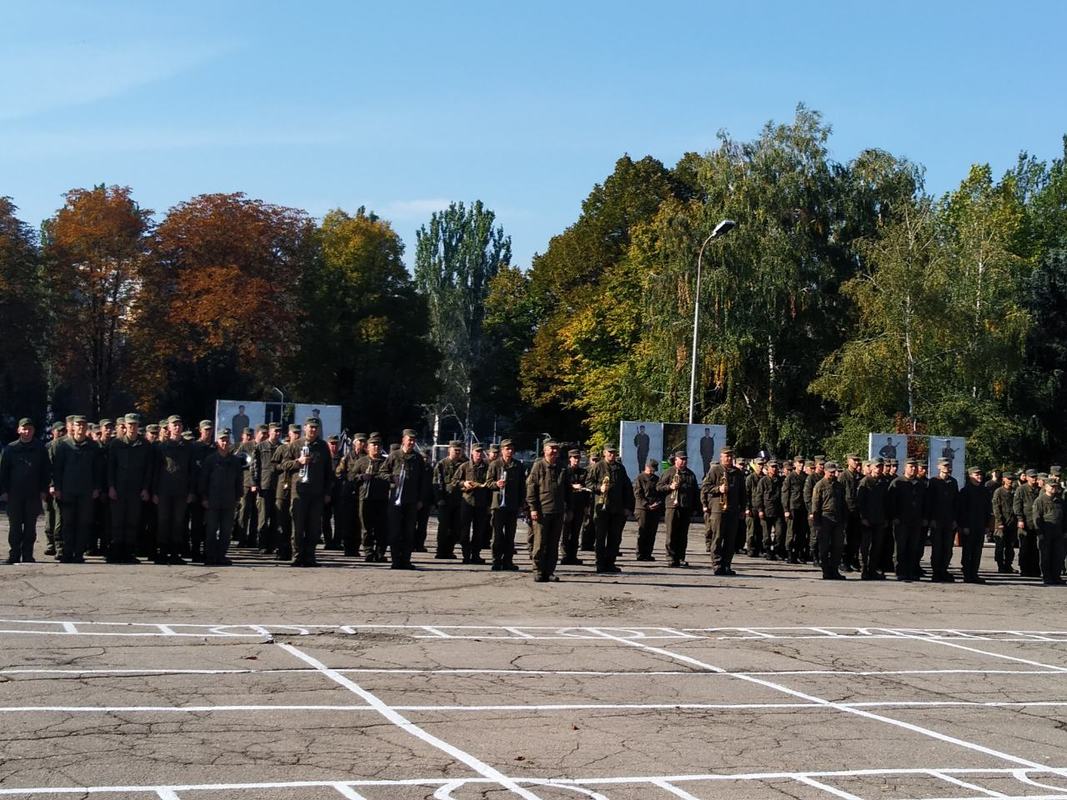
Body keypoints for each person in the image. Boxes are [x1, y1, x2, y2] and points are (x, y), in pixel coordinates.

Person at [281, 417, 334, 567]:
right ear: (305, 428)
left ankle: (310, 556)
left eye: (315, 428)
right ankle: (297, 556)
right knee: (298, 527)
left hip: (316, 493)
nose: (313, 430)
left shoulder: (323, 446)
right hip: (299, 492)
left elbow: (328, 472)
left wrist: (327, 492)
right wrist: (298, 462)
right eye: (310, 427)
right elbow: (284, 464)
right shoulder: (295, 445)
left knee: (314, 528)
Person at [52, 416, 103, 564]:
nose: (80, 427)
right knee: (68, 523)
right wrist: (57, 488)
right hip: (68, 491)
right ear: (72, 427)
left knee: (83, 523)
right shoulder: (63, 446)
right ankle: (67, 553)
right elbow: (57, 469)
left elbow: (98, 470)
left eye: (83, 425)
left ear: (86, 427)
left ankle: (79, 553)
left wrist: (97, 488)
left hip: (86, 491)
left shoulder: (93, 447)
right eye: (77, 425)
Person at [0, 418, 50, 564]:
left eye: (30, 429)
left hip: (33, 494)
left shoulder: (40, 449)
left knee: (30, 527)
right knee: (15, 526)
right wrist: (3, 491)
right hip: (14, 494)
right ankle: (14, 554)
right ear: (19, 430)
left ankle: (28, 554)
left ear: (33, 431)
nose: (27, 432)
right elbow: (3, 472)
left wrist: (43, 490)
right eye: (24, 429)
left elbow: (45, 471)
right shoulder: (10, 449)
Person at [106, 413, 152, 564]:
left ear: (138, 426)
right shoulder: (116, 444)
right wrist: (111, 487)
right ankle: (116, 552)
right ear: (125, 426)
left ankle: (129, 553)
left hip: (136, 489)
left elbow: (147, 470)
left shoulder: (144, 445)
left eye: (135, 425)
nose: (132, 427)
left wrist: (145, 488)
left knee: (132, 522)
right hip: (118, 489)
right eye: (130, 425)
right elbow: (110, 468)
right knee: (117, 522)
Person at [153, 415, 195, 566]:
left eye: (179, 425)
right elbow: (155, 471)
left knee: (178, 522)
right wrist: (155, 492)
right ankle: (162, 553)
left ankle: (175, 553)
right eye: (174, 425)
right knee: (163, 521)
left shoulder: (189, 447)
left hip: (181, 491)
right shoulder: (161, 447)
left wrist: (191, 491)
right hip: (164, 490)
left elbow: (192, 471)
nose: (177, 427)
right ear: (168, 428)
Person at [587, 443, 633, 574]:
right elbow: (588, 482)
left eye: (614, 453)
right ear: (604, 453)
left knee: (615, 537)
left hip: (617, 508)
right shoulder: (598, 466)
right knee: (600, 537)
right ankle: (600, 564)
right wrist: (598, 488)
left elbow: (627, 488)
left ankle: (610, 563)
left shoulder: (620, 468)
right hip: (602, 508)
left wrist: (627, 507)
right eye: (610, 453)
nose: (612, 455)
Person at [199, 429, 243, 566]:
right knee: (211, 530)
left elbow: (238, 481)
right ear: (217, 442)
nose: (225, 442)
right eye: (222, 440)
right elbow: (203, 480)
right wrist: (204, 498)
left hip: (229, 501)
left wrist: (238, 498)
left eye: (227, 440)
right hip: (213, 500)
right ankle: (210, 556)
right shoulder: (210, 460)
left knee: (226, 531)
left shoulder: (235, 461)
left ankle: (221, 555)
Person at [526, 439, 567, 582]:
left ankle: (550, 571)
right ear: (544, 450)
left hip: (558, 511)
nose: (554, 451)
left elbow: (567, 490)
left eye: (556, 449)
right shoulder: (538, 467)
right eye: (552, 448)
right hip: (542, 511)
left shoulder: (562, 467)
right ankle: (538, 570)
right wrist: (533, 508)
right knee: (540, 543)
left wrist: (570, 508)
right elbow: (531, 489)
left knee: (553, 543)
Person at [384, 428, 424, 570]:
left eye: (413, 440)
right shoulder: (394, 456)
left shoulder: (418, 458)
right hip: (396, 500)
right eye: (409, 439)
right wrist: (392, 478)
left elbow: (422, 481)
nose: (411, 442)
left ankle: (406, 560)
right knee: (395, 532)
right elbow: (382, 472)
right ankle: (395, 560)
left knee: (409, 532)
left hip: (411, 500)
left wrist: (420, 499)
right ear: (403, 440)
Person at [701, 446, 745, 576]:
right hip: (718, 510)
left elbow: (742, 492)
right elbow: (705, 487)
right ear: (721, 458)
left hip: (733, 510)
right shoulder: (715, 470)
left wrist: (742, 508)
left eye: (731, 456)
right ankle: (717, 564)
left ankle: (727, 565)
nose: (729, 458)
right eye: (726, 456)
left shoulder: (737, 473)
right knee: (718, 538)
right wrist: (718, 489)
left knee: (730, 540)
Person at [486, 438, 524, 571]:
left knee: (510, 535)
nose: (510, 451)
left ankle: (508, 561)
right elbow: (488, 483)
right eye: (507, 448)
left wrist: (521, 504)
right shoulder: (495, 465)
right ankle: (496, 561)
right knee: (497, 535)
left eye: (512, 449)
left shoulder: (518, 465)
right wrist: (496, 484)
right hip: (498, 504)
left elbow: (522, 486)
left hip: (512, 504)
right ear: (502, 450)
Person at [658, 450, 698, 567]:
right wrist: (670, 486)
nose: (684, 461)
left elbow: (695, 491)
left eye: (685, 459)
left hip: (685, 507)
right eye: (682, 459)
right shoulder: (669, 472)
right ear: (676, 460)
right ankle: (671, 557)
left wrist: (695, 507)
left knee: (683, 534)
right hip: (672, 507)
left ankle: (680, 557)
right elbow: (659, 487)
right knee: (671, 533)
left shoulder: (690, 474)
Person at [453, 444, 491, 564]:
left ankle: (476, 555)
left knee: (478, 531)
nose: (479, 454)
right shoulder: (464, 466)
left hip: (481, 503)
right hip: (467, 502)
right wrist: (464, 484)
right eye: (476, 452)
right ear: (472, 453)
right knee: (464, 531)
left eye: (481, 452)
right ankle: (466, 555)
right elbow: (454, 482)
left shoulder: (487, 467)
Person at [887, 459, 925, 581]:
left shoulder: (920, 484)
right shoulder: (897, 483)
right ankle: (900, 571)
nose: (913, 469)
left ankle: (911, 571)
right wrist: (894, 517)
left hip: (916, 521)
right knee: (900, 548)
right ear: (905, 468)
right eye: (910, 466)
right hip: (901, 521)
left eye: (914, 467)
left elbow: (926, 503)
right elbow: (891, 503)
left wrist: (924, 517)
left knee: (913, 548)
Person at [354, 434, 390, 561]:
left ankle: (380, 553)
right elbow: (350, 477)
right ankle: (368, 552)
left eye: (378, 445)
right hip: (365, 498)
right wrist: (361, 477)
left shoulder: (386, 461)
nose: (376, 447)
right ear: (367, 447)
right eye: (373, 445)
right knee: (366, 528)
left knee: (382, 528)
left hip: (382, 498)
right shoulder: (361, 462)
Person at [810, 461, 847, 580]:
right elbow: (815, 505)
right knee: (824, 546)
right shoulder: (820, 485)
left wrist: (844, 519)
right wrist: (816, 523)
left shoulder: (838, 485)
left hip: (838, 518)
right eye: (830, 472)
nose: (833, 474)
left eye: (834, 472)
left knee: (838, 545)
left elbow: (843, 503)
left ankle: (835, 570)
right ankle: (826, 571)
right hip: (825, 517)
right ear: (825, 471)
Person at [925, 458, 959, 582]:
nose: (946, 467)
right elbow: (929, 502)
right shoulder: (933, 482)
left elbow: (956, 502)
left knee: (948, 548)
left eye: (948, 465)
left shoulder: (953, 482)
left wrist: (955, 519)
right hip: (937, 520)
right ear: (938, 467)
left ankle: (943, 570)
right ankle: (936, 572)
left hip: (949, 520)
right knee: (937, 547)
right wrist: (931, 519)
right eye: (944, 465)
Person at [956, 466, 992, 584]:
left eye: (980, 475)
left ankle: (974, 573)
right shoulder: (965, 491)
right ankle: (967, 574)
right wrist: (964, 526)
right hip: (969, 526)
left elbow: (987, 509)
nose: (979, 477)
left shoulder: (984, 491)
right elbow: (961, 510)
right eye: (976, 475)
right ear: (970, 476)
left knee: (977, 551)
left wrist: (987, 525)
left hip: (980, 525)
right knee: (968, 551)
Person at [433, 441, 466, 560]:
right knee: (444, 527)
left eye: (459, 450)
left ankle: (450, 550)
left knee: (456, 527)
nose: (457, 452)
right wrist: (439, 499)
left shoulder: (465, 464)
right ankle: (441, 551)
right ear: (449, 450)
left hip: (460, 500)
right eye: (455, 450)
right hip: (445, 500)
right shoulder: (442, 464)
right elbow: (437, 482)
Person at [254, 423, 283, 554]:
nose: (277, 434)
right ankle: (262, 544)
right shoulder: (260, 447)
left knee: (276, 517)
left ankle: (273, 544)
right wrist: (255, 483)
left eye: (279, 432)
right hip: (264, 485)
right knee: (263, 517)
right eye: (275, 431)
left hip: (278, 486)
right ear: (269, 432)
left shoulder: (282, 447)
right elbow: (255, 466)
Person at [856, 460, 888, 580]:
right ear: (871, 468)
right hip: (868, 520)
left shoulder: (883, 482)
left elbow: (886, 502)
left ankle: (872, 569)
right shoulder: (865, 482)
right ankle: (864, 570)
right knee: (865, 547)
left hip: (879, 519)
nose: (879, 469)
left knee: (877, 546)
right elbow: (860, 502)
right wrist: (863, 517)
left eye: (880, 467)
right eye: (876, 467)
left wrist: (885, 518)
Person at [1031, 477, 1066, 585]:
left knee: (1058, 555)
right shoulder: (1040, 500)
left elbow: (1065, 517)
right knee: (1045, 555)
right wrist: (1040, 533)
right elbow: (1037, 517)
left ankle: (1056, 576)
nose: (1054, 488)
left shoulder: (1060, 501)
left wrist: (1065, 531)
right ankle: (1047, 576)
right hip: (1046, 531)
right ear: (1046, 487)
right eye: (1052, 486)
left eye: (1055, 487)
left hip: (1058, 532)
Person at [43, 421, 66, 558]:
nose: (61, 433)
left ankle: (59, 546)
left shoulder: (64, 447)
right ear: (53, 432)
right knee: (48, 516)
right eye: (59, 431)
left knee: (59, 518)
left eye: (63, 431)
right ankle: (50, 543)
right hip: (47, 487)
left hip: (59, 487)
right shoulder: (46, 447)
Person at [755, 459, 785, 560]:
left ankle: (776, 551)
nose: (774, 469)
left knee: (779, 533)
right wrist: (760, 510)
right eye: (772, 467)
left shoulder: (780, 480)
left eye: (776, 467)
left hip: (778, 511)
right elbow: (759, 496)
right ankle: (767, 551)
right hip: (766, 511)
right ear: (768, 469)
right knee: (766, 535)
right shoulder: (763, 481)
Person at [633, 458, 663, 561]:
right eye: (651, 469)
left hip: (655, 509)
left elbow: (660, 492)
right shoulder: (640, 478)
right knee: (643, 531)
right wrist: (646, 504)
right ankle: (640, 553)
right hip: (642, 508)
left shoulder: (657, 479)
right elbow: (638, 493)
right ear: (646, 467)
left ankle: (648, 553)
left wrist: (658, 503)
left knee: (652, 532)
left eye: (654, 470)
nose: (652, 471)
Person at [992, 472, 1018, 574]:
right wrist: (999, 521)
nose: (1011, 481)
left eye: (1012, 479)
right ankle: (1000, 565)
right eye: (1009, 479)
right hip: (1001, 523)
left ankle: (1008, 565)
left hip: (1012, 522)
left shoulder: (1014, 492)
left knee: (1010, 546)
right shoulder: (999, 492)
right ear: (1004, 479)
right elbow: (996, 507)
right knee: (1000, 546)